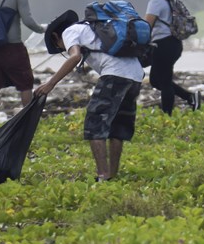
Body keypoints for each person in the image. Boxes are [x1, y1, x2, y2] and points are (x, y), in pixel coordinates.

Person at [36, 10, 143, 181]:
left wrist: (50, 84)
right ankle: (112, 175)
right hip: (136, 75)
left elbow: (74, 57)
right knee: (118, 127)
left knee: (94, 125)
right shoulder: (90, 28)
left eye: (59, 48)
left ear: (56, 36)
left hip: (115, 75)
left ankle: (102, 175)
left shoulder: (69, 31)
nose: (63, 49)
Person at [137, 0, 201, 114]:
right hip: (173, 44)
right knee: (155, 80)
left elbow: (146, 26)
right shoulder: (170, 0)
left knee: (164, 81)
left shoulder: (156, 2)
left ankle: (167, 115)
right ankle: (190, 97)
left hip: (163, 44)